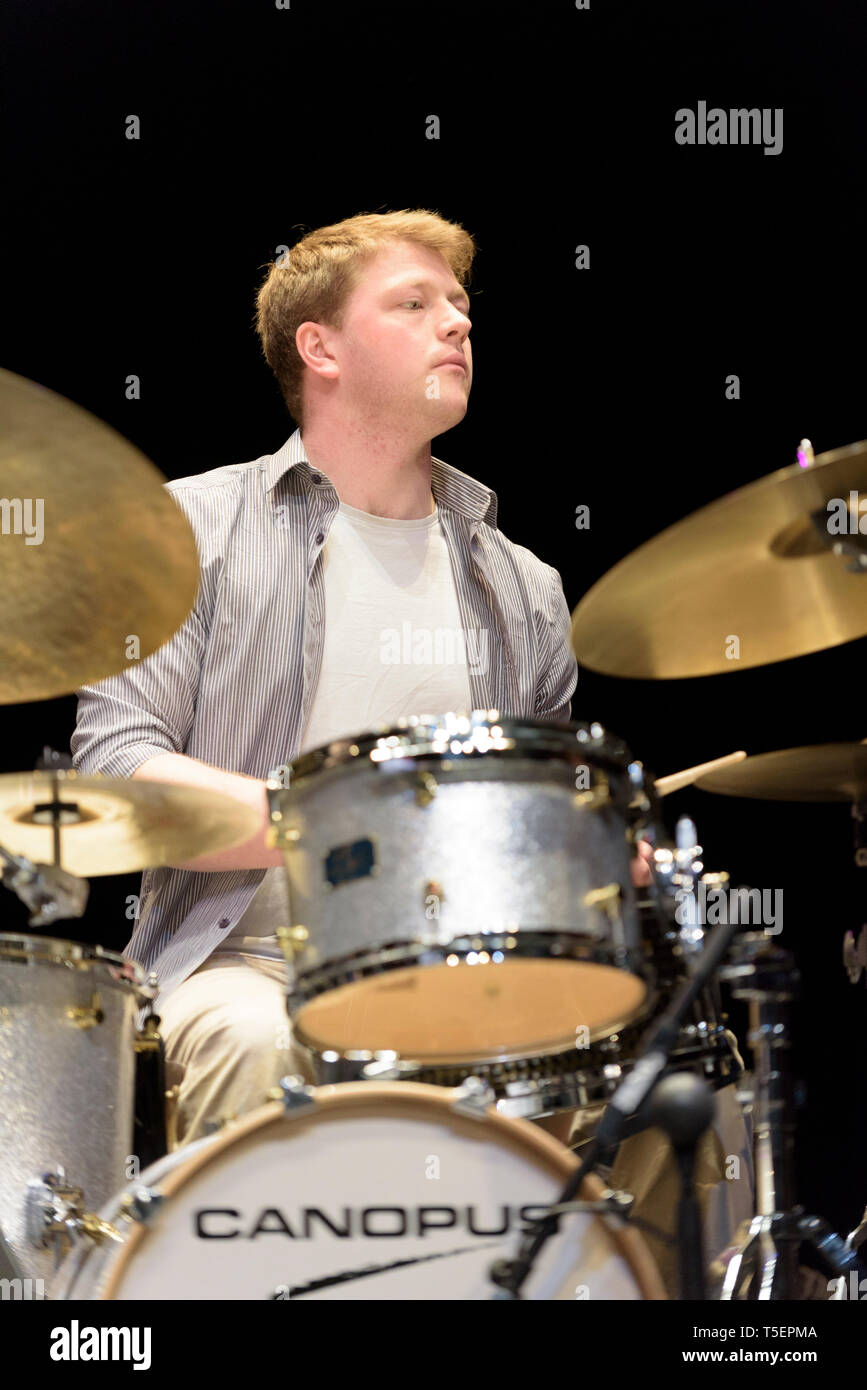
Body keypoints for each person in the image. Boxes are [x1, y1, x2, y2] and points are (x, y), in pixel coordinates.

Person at [71, 207, 752, 1295]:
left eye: (464, 309)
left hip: (486, 978)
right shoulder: (190, 531)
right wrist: (335, 827)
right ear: (320, 347)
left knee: (684, 1087)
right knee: (256, 1047)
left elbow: (563, 800)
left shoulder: (521, 584)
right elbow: (114, 763)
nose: (458, 326)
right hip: (250, 965)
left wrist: (592, 861)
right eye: (416, 303)